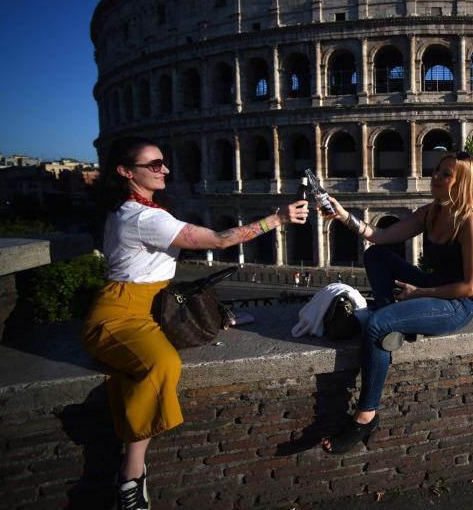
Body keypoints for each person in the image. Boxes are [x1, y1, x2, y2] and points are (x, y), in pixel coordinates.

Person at [82, 137, 308, 510]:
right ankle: (131, 474)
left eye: (163, 163)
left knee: (200, 328)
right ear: (125, 172)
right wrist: (278, 219)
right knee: (162, 364)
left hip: (144, 308)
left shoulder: (128, 209)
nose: (165, 169)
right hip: (117, 317)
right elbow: (219, 240)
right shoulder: (143, 217)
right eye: (153, 165)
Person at [319, 151, 473, 454]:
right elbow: (381, 236)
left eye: (446, 174)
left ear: (463, 183)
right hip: (430, 288)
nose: (435, 176)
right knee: (375, 256)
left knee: (376, 326)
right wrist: (342, 215)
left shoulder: (471, 222)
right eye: (437, 170)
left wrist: (419, 294)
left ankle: (365, 417)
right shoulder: (430, 212)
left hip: (456, 304)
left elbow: (470, 286)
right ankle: (395, 321)